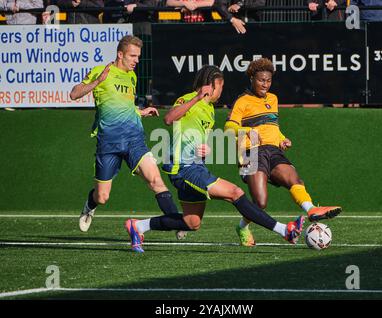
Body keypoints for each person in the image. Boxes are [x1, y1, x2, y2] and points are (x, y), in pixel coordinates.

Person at [124, 65, 304, 253]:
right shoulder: (187, 99)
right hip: (183, 167)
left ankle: (138, 226)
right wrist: (196, 97)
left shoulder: (209, 110)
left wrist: (204, 149)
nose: (221, 91)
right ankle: (285, 230)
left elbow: (192, 137)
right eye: (220, 86)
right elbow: (169, 119)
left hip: (196, 165)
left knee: (191, 222)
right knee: (235, 193)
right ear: (210, 85)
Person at [70, 35, 184, 236]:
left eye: (138, 56)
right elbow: (74, 94)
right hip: (109, 143)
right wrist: (98, 81)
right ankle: (90, 203)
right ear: (120, 54)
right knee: (102, 196)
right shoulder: (101, 71)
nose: (136, 60)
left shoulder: (132, 77)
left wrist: (140, 111)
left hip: (134, 139)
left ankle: (177, 222)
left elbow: (125, 105)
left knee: (155, 180)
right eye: (132, 56)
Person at [224, 58, 342, 247]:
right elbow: (228, 129)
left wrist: (282, 139)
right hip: (250, 152)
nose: (265, 84)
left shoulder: (273, 99)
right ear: (252, 78)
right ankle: (242, 227)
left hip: (273, 150)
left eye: (268, 81)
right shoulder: (242, 101)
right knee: (260, 203)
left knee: (294, 179)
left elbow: (271, 126)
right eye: (261, 80)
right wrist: (248, 132)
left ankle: (311, 209)